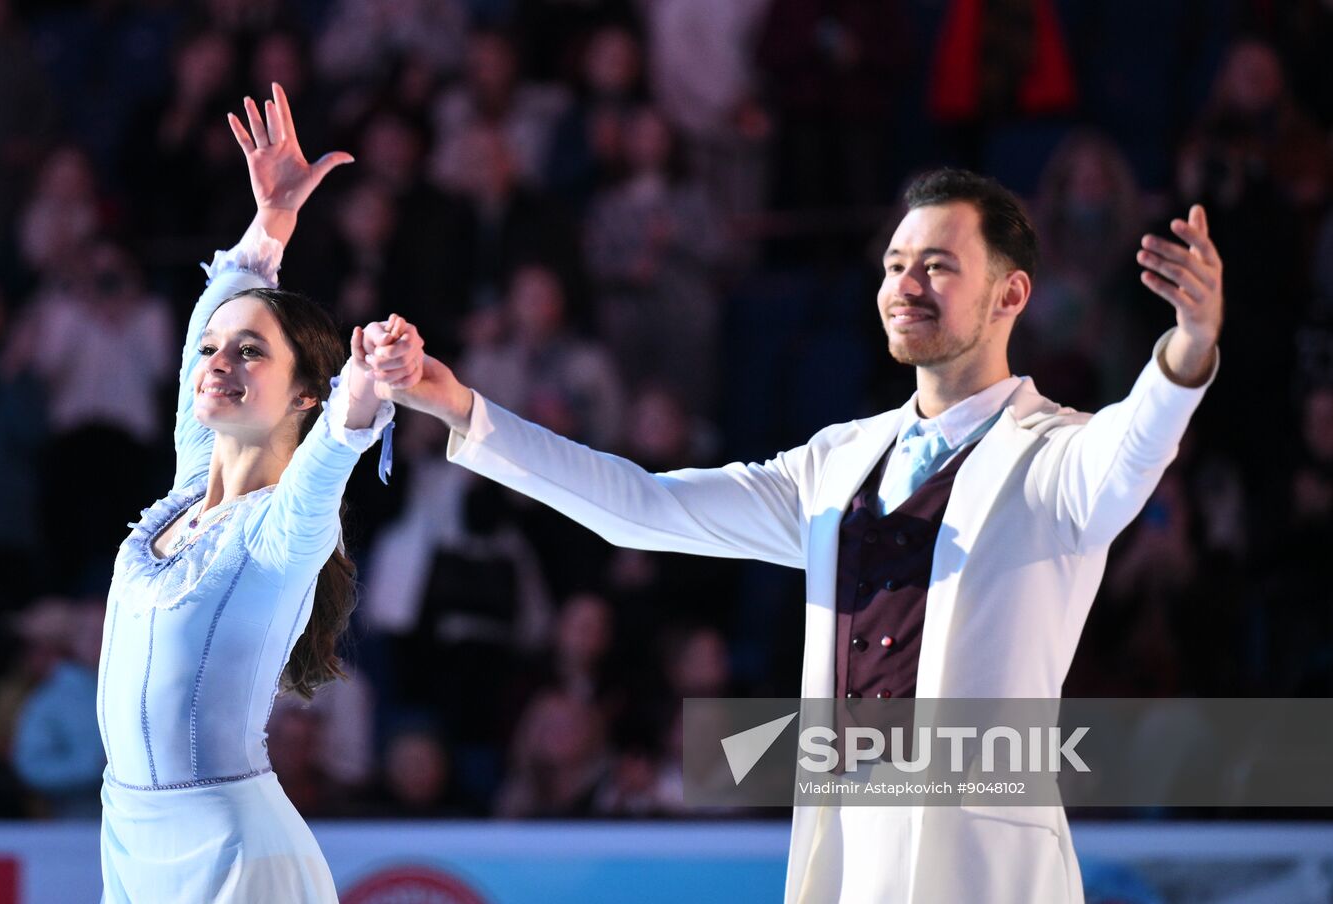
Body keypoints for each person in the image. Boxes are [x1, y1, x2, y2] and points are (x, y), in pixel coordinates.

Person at [369, 168, 1223, 903]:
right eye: (894, 265)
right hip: (844, 854)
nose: (905, 285)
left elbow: (1138, 438)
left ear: (1010, 292)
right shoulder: (836, 462)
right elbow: (646, 506)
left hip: (983, 861)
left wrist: (1185, 349)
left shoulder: (1061, 457)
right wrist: (465, 411)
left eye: (937, 265)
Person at [94, 84, 424, 904]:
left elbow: (337, 446)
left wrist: (368, 377)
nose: (217, 363)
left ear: (302, 394)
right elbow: (219, 301)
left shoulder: (282, 531)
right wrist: (270, 223)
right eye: (212, 350)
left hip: (237, 853)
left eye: (250, 354)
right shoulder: (179, 492)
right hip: (127, 837)